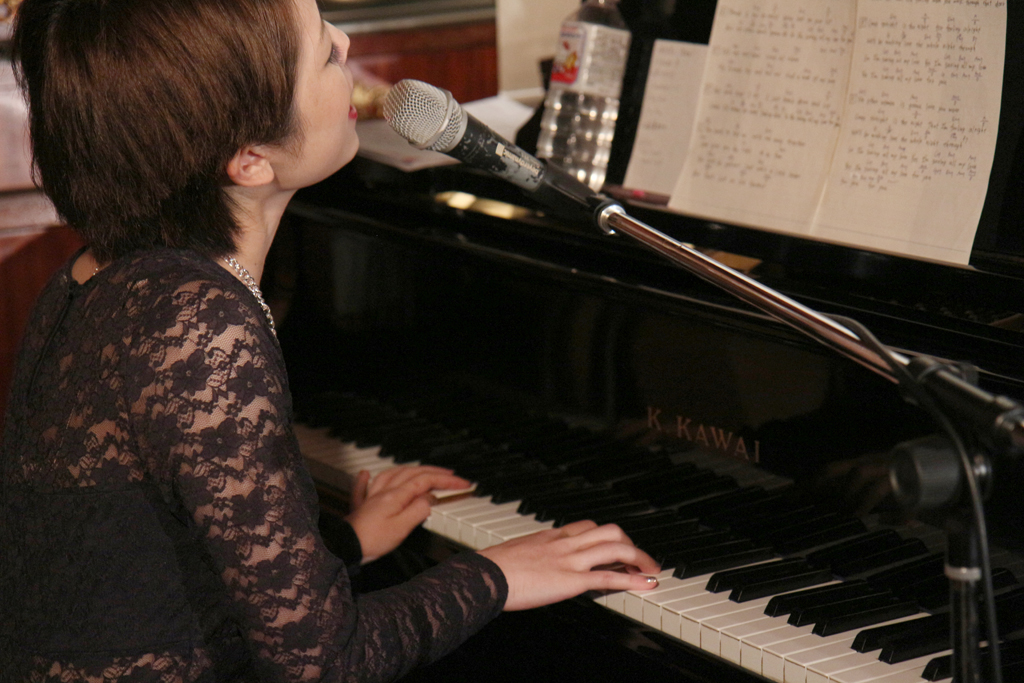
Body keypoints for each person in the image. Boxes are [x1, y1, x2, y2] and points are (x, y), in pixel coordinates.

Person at [0, 0, 660, 681]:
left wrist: (343, 542)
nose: (344, 42)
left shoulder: (97, 273)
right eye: (321, 52)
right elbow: (324, 664)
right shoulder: (198, 321)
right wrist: (496, 575)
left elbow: (145, 570)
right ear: (251, 159)